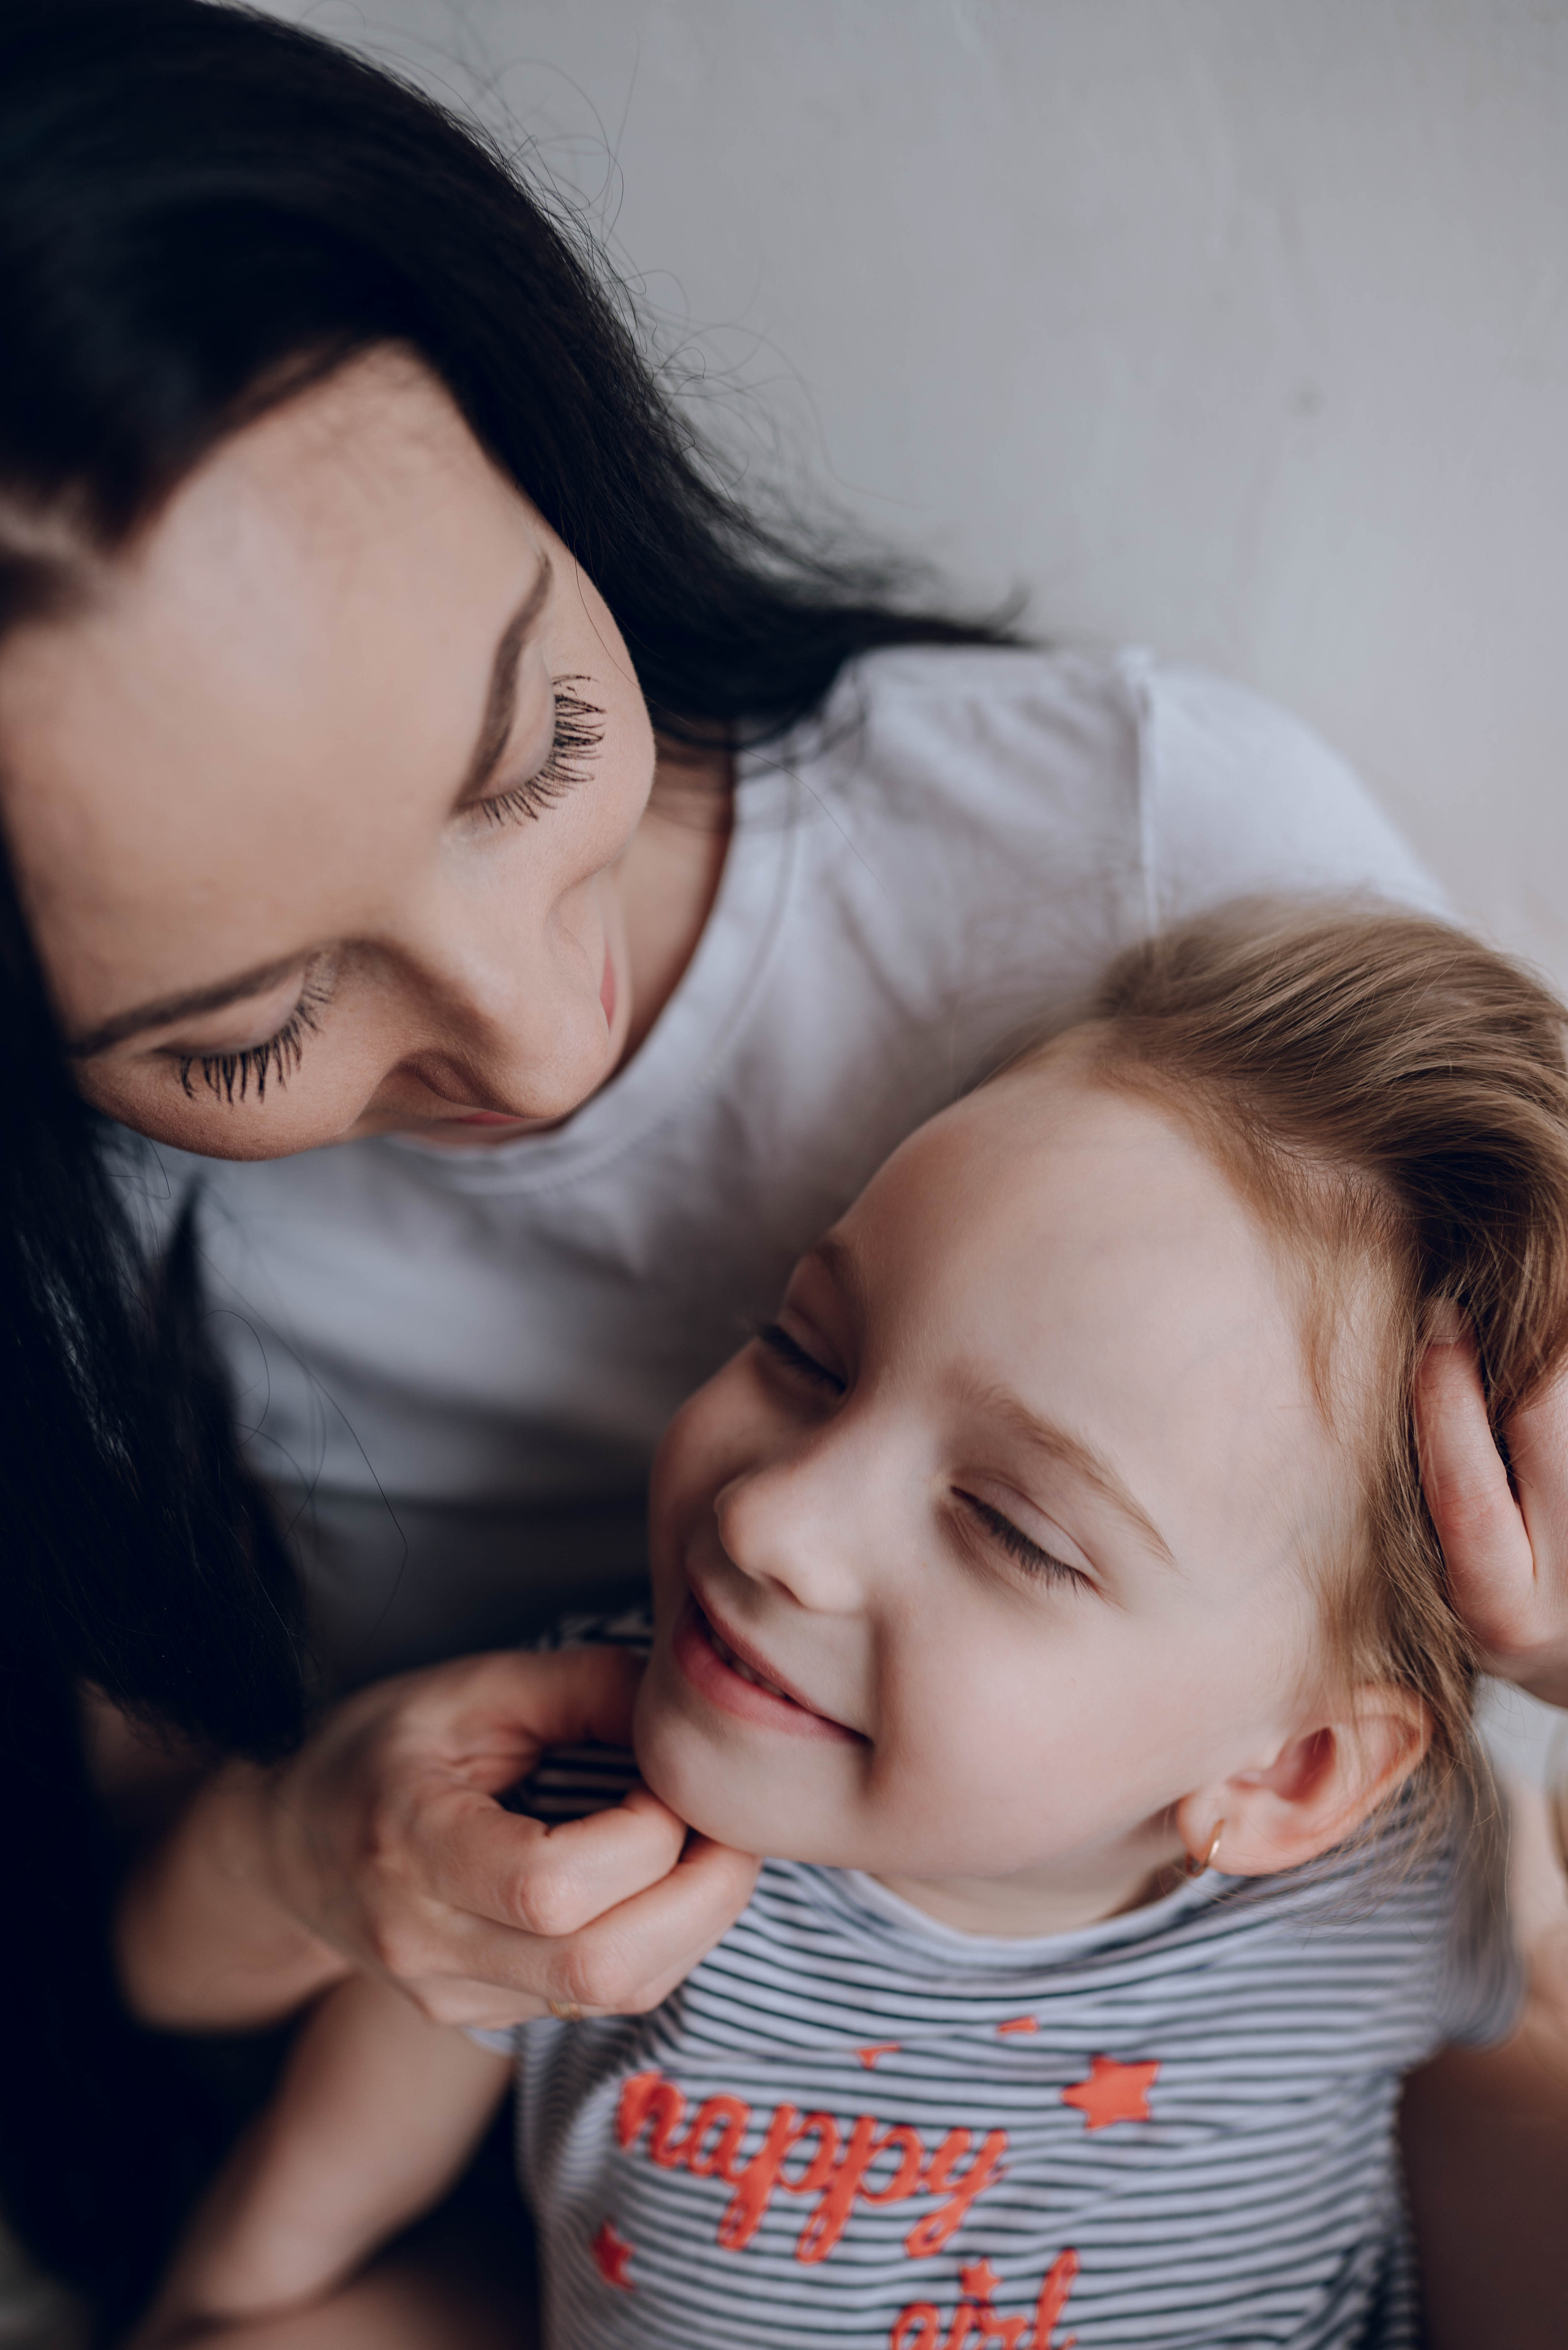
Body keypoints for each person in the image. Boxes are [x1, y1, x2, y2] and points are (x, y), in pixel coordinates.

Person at [1, 0, 1566, 2330]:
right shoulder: (94, 1278)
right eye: (251, 1027)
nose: (539, 1034)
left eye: (535, 741)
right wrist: (327, 1845)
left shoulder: (1156, 861)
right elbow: (145, 2042)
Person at [123, 902, 1568, 2350]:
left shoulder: (1409, 1887)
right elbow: (280, 2260)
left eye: (1013, 1528)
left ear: (1291, 1774)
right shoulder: (561, 1836)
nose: (772, 1519)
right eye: (806, 1349)